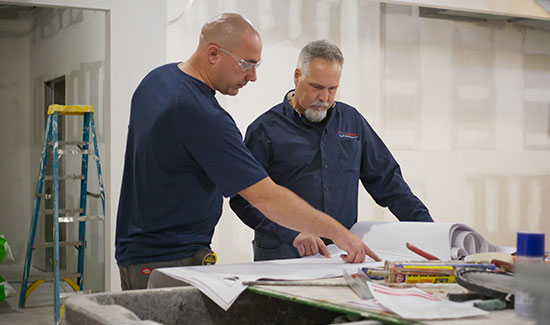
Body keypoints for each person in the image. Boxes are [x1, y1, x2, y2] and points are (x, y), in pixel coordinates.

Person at [115, 14, 379, 290]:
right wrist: (338, 233)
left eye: (257, 66)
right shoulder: (202, 115)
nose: (252, 77)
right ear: (213, 53)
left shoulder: (157, 80)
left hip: (138, 253)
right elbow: (265, 197)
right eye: (246, 65)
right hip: (169, 259)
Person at [230, 40, 433, 262]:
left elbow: (390, 184)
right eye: (316, 87)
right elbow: (243, 200)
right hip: (284, 253)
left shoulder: (352, 122)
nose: (325, 98)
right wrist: (292, 233)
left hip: (340, 254)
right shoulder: (264, 130)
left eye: (332, 89)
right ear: (297, 76)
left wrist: (431, 234)